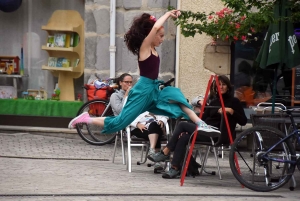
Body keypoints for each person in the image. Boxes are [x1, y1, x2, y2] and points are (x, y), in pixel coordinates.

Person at [68, 10, 220, 136]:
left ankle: (201, 124)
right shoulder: (144, 48)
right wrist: (167, 14)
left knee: (177, 99)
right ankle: (86, 119)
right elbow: (155, 28)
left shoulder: (152, 49)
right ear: (151, 35)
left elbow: (155, 30)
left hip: (153, 89)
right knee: (121, 122)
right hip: (142, 91)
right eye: (160, 36)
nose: (162, 39)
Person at [148, 75, 248, 179]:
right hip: (206, 131)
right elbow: (201, 120)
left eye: (224, 84)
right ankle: (175, 168)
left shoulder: (234, 102)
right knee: (184, 137)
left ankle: (165, 152)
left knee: (182, 125)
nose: (221, 87)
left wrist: (232, 111)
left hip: (219, 134)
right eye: (219, 84)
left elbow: (243, 122)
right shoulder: (213, 102)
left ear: (228, 87)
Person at [110, 73, 168, 171]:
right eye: (126, 82)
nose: (129, 84)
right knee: (155, 131)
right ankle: (157, 161)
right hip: (128, 123)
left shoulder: (140, 95)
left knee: (155, 126)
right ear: (120, 83)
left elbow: (155, 110)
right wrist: (127, 95)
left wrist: (161, 119)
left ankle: (153, 151)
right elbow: (122, 112)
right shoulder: (115, 96)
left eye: (131, 82)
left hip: (147, 122)